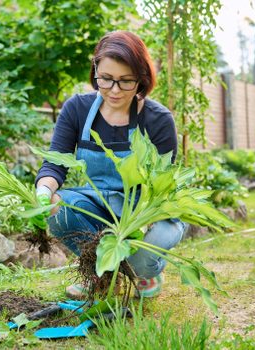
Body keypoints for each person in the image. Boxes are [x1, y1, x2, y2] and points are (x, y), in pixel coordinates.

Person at [35, 30, 186, 299]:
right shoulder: (77, 110)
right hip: (99, 204)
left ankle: (147, 271)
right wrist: (43, 192)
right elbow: (54, 164)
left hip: (147, 214)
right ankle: (101, 272)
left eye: (125, 81)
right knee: (58, 209)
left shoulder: (158, 119)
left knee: (140, 260)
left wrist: (136, 228)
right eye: (105, 79)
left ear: (141, 77)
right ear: (95, 71)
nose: (114, 91)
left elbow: (162, 186)